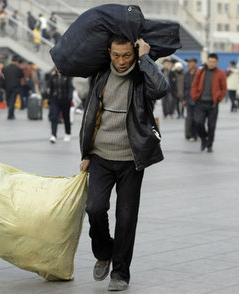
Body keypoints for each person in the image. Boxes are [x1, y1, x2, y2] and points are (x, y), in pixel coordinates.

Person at [79, 36, 168, 291]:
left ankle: (120, 273)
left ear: (135, 52)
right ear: (109, 52)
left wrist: (144, 58)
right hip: (100, 156)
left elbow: (161, 89)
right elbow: (90, 115)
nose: (120, 61)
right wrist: (85, 153)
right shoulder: (101, 75)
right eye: (116, 55)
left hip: (131, 159)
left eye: (126, 55)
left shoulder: (142, 77)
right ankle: (104, 251)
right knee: (94, 208)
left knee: (126, 217)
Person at [191, 53, 227, 153]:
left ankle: (209, 144)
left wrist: (219, 98)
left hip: (213, 104)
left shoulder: (220, 73)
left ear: (217, 62)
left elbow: (224, 88)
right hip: (200, 102)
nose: (211, 64)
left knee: (211, 126)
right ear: (207, 61)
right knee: (199, 123)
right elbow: (194, 84)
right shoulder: (201, 71)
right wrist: (195, 97)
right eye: (210, 61)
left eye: (214, 62)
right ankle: (203, 139)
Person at [47, 67, 73, 143]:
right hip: (55, 100)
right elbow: (50, 89)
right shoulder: (52, 77)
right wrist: (50, 99)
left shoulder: (67, 77)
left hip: (65, 100)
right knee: (54, 117)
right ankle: (53, 135)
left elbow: (70, 88)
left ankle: (67, 133)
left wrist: (69, 99)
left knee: (66, 117)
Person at [1, 55, 24, 119]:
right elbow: (22, 75)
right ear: (16, 61)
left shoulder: (5, 68)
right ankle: (10, 114)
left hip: (7, 86)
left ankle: (10, 113)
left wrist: (2, 86)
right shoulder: (18, 68)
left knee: (8, 100)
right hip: (15, 86)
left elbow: (2, 77)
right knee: (12, 100)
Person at [184, 57, 198, 141]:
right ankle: (192, 135)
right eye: (188, 62)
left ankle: (197, 133)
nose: (188, 64)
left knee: (197, 118)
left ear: (195, 63)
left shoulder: (199, 73)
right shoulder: (186, 74)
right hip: (188, 99)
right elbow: (184, 87)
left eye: (190, 62)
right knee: (190, 117)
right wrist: (183, 100)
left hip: (197, 99)